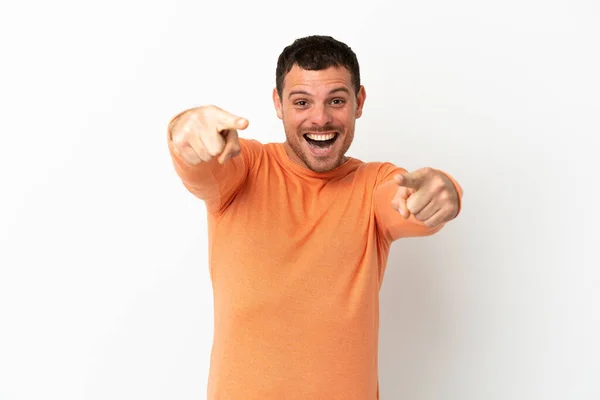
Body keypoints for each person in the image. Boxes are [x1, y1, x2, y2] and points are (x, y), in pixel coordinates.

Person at [167, 35, 463, 400]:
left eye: (336, 101)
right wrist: (185, 130)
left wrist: (442, 189)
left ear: (359, 102)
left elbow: (406, 202)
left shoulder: (376, 184)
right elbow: (199, 163)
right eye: (302, 102)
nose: (320, 118)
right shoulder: (244, 169)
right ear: (278, 104)